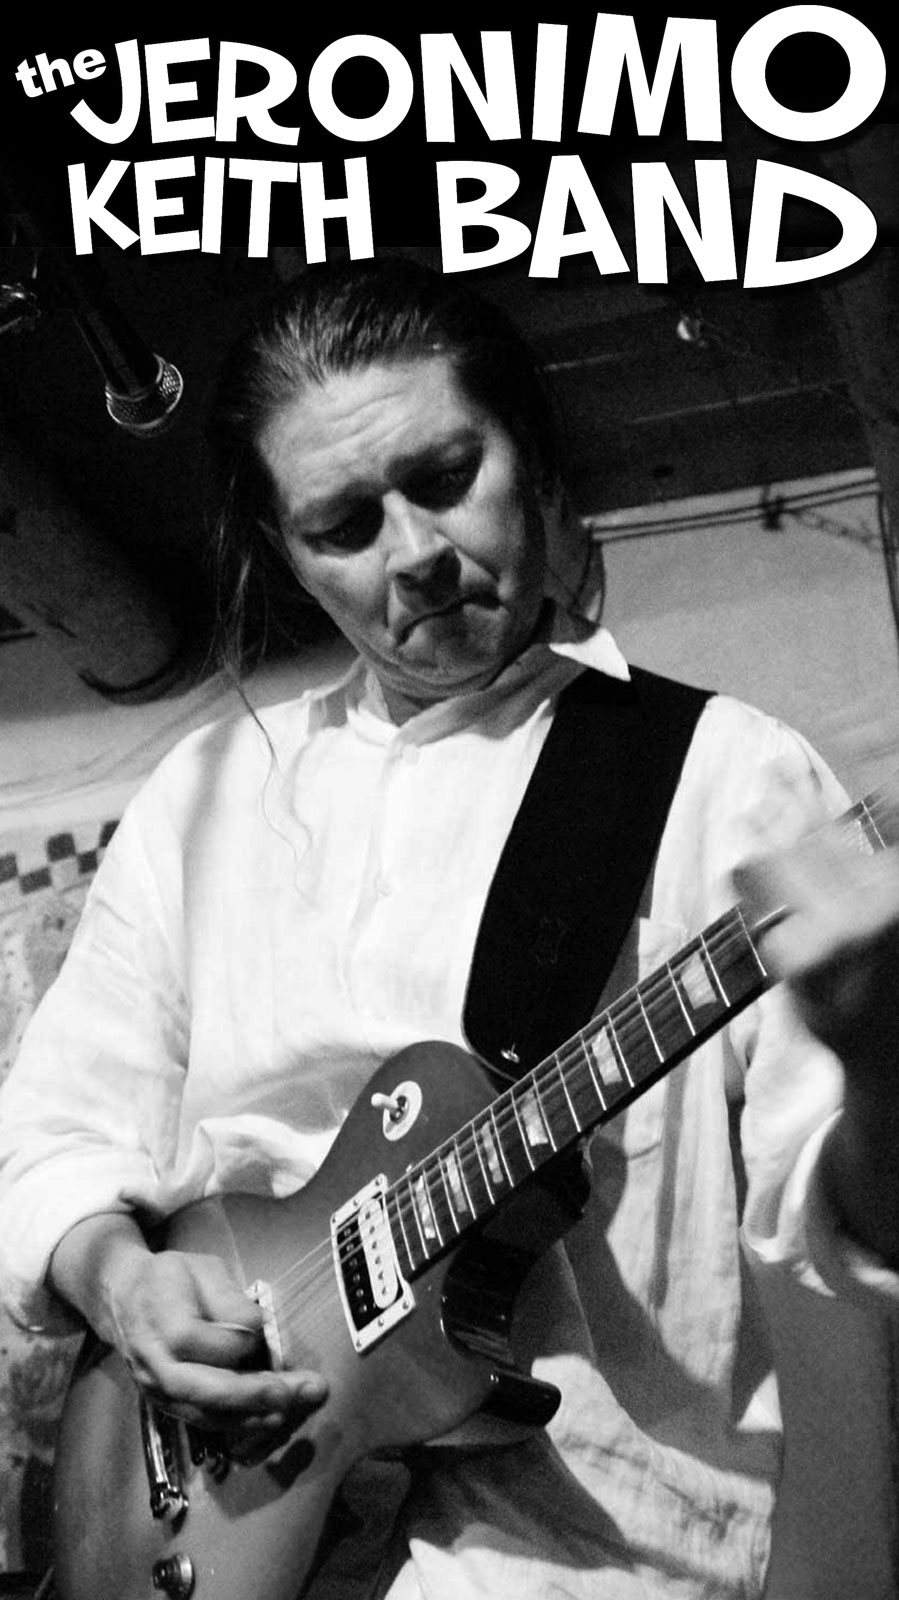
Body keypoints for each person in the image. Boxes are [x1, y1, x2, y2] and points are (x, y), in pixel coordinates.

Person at [1, 258, 898, 1600]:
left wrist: (885, 1062)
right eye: (343, 524)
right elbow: (55, 1130)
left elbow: (834, 1228)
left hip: (584, 1558)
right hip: (222, 1525)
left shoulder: (726, 773)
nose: (415, 552)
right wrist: (120, 1278)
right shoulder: (208, 791)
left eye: (444, 476)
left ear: (528, 456)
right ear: (287, 555)